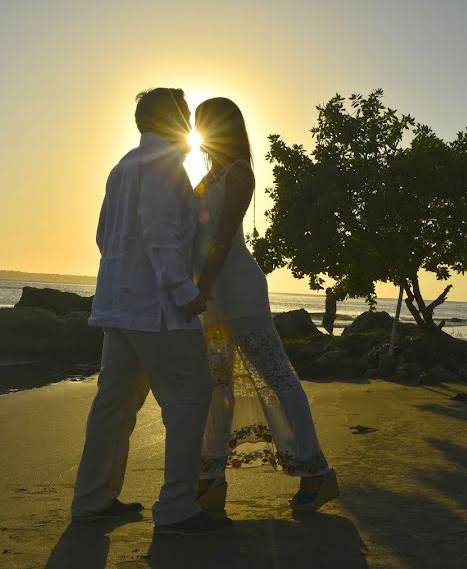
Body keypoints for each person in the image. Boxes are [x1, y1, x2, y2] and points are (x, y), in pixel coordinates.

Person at [71, 88, 232, 535]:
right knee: (189, 397)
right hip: (157, 308)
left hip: (117, 305)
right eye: (184, 113)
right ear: (174, 120)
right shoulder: (164, 164)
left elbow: (104, 237)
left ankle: (92, 499)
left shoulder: (123, 166)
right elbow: (161, 233)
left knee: (114, 407)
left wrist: (127, 279)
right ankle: (177, 506)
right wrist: (183, 290)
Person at [192, 97, 338, 512]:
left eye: (205, 123)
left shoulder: (239, 173)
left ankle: (316, 472)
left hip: (237, 291)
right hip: (211, 298)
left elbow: (221, 239)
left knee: (276, 377)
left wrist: (201, 286)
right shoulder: (207, 177)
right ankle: (210, 475)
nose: (199, 133)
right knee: (218, 384)